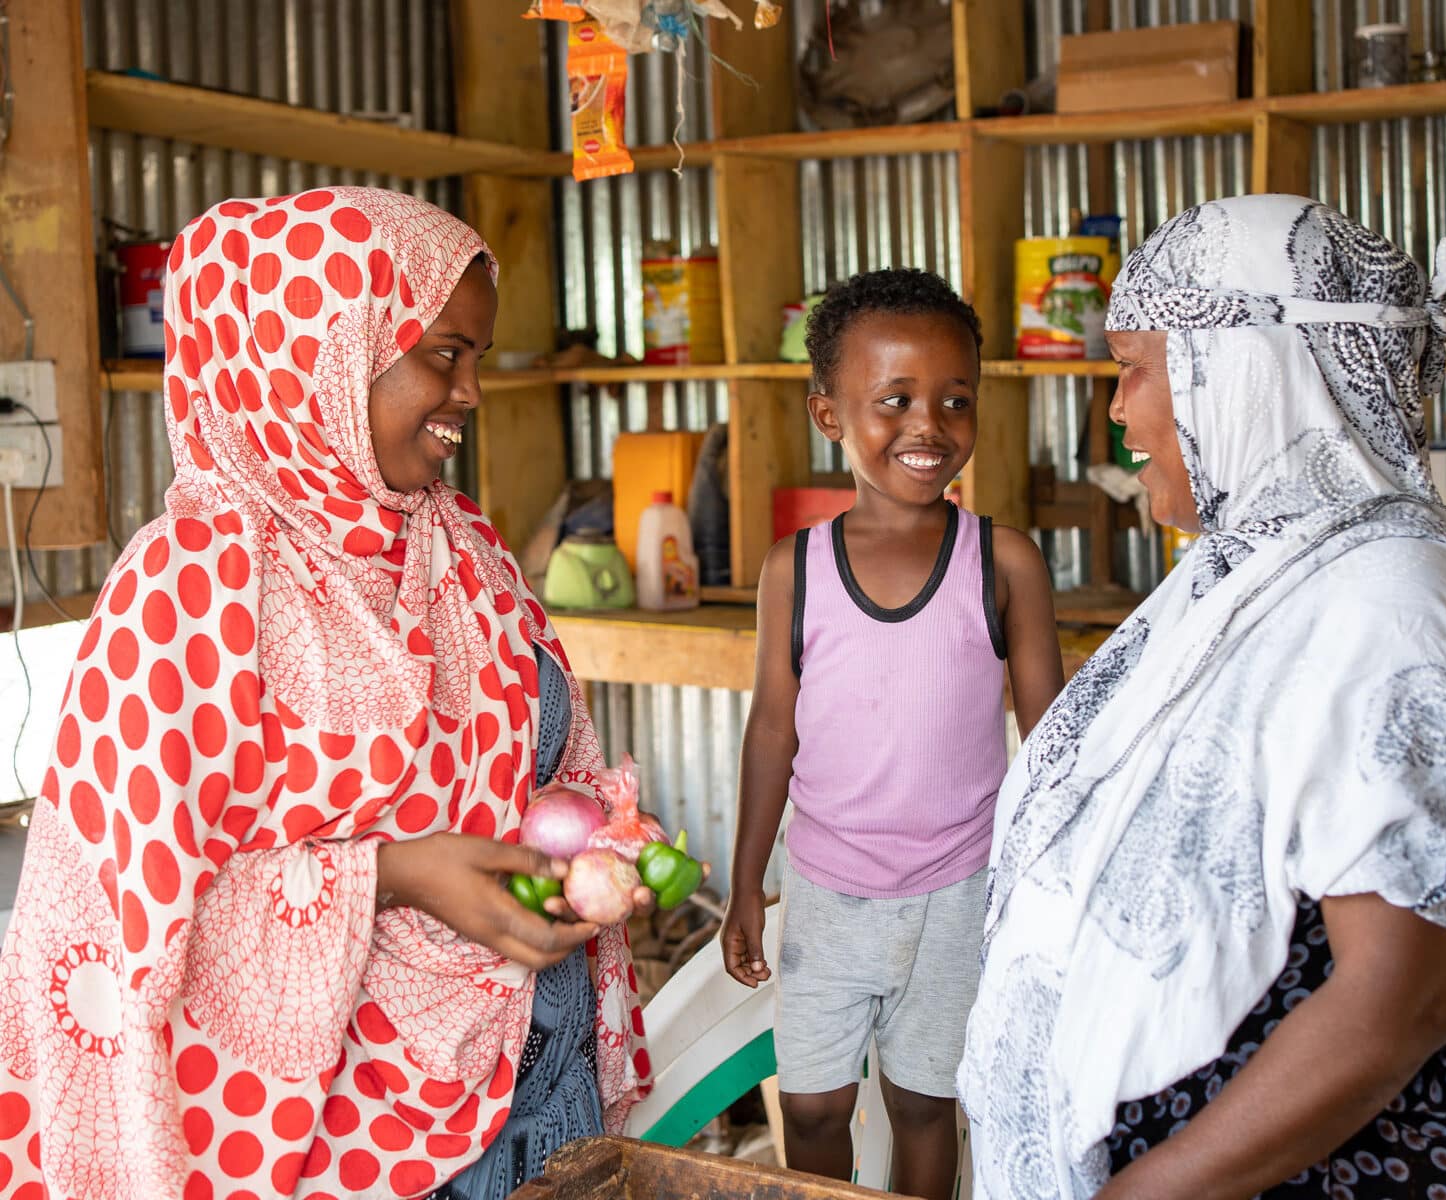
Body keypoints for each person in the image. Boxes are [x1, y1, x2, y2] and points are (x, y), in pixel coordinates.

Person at [0, 187, 652, 1200]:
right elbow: (116, 924)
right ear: (317, 349)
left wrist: (605, 844)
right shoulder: (195, 587)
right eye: (443, 352)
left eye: (476, 355)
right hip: (342, 1152)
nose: (469, 393)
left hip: (537, 1091)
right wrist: (393, 874)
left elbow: (541, 772)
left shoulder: (459, 547)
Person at [959, 194, 1446, 1200]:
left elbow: (1406, 992)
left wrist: (1144, 1194)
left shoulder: (1388, 602)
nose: (1114, 409)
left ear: (1235, 374)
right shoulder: (1245, 574)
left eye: (1134, 367)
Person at [722, 269, 1065, 1200]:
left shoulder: (1004, 562)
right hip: (828, 893)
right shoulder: (795, 570)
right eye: (895, 401)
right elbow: (771, 734)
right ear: (828, 413)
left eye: (956, 400)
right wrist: (748, 880)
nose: (930, 425)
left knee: (925, 1105)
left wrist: (1048, 892)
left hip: (962, 890)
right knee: (818, 1111)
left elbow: (1057, 748)